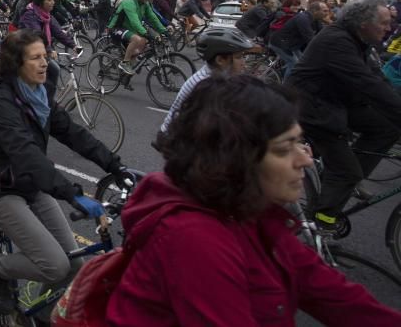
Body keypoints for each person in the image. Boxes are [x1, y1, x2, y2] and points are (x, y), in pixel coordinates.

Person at [106, 76, 401, 325]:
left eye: (301, 142)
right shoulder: (194, 239)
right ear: (237, 160)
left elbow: (328, 291)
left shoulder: (251, 210)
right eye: (285, 149)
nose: (306, 161)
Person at [0, 29, 130, 319]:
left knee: (73, 263)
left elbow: (72, 132)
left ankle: (40, 316)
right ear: (16, 64)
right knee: (54, 265)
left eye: (45, 56)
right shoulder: (0, 100)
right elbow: (27, 155)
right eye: (35, 58)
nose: (45, 63)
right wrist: (72, 194)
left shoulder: (40, 93)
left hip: (30, 183)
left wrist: (115, 166)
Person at [285, 0, 401, 233]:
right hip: (312, 109)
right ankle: (322, 223)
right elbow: (368, 85)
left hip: (335, 101)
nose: (389, 28)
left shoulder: (357, 39)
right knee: (347, 171)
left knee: (387, 127)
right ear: (363, 24)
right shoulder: (337, 41)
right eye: (384, 22)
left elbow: (379, 80)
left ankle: (338, 178)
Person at [160, 26, 255, 132]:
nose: (244, 63)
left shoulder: (219, 76)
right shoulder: (206, 85)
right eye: (239, 57)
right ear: (220, 60)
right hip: (177, 139)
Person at [17, 0, 79, 85]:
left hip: (40, 50)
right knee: (53, 71)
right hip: (27, 50)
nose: (53, 2)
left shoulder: (47, 15)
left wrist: (73, 45)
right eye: (49, 0)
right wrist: (49, 50)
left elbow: (58, 32)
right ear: (41, 2)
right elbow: (37, 35)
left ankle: (45, 97)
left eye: (53, 0)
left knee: (50, 74)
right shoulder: (30, 15)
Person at [107, 0, 167, 75]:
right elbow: (134, 21)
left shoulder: (144, 4)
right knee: (137, 39)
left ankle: (129, 63)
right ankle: (125, 63)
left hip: (129, 29)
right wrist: (145, 32)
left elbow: (153, 18)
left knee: (143, 41)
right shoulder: (128, 2)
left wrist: (163, 30)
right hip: (116, 28)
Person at [269, 0, 327, 79]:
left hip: (291, 44)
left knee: (303, 62)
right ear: (315, 11)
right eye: (324, 11)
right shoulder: (303, 18)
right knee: (294, 65)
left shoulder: (315, 19)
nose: (327, 13)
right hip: (280, 44)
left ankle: (286, 76)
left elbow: (322, 33)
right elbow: (310, 38)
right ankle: (286, 87)